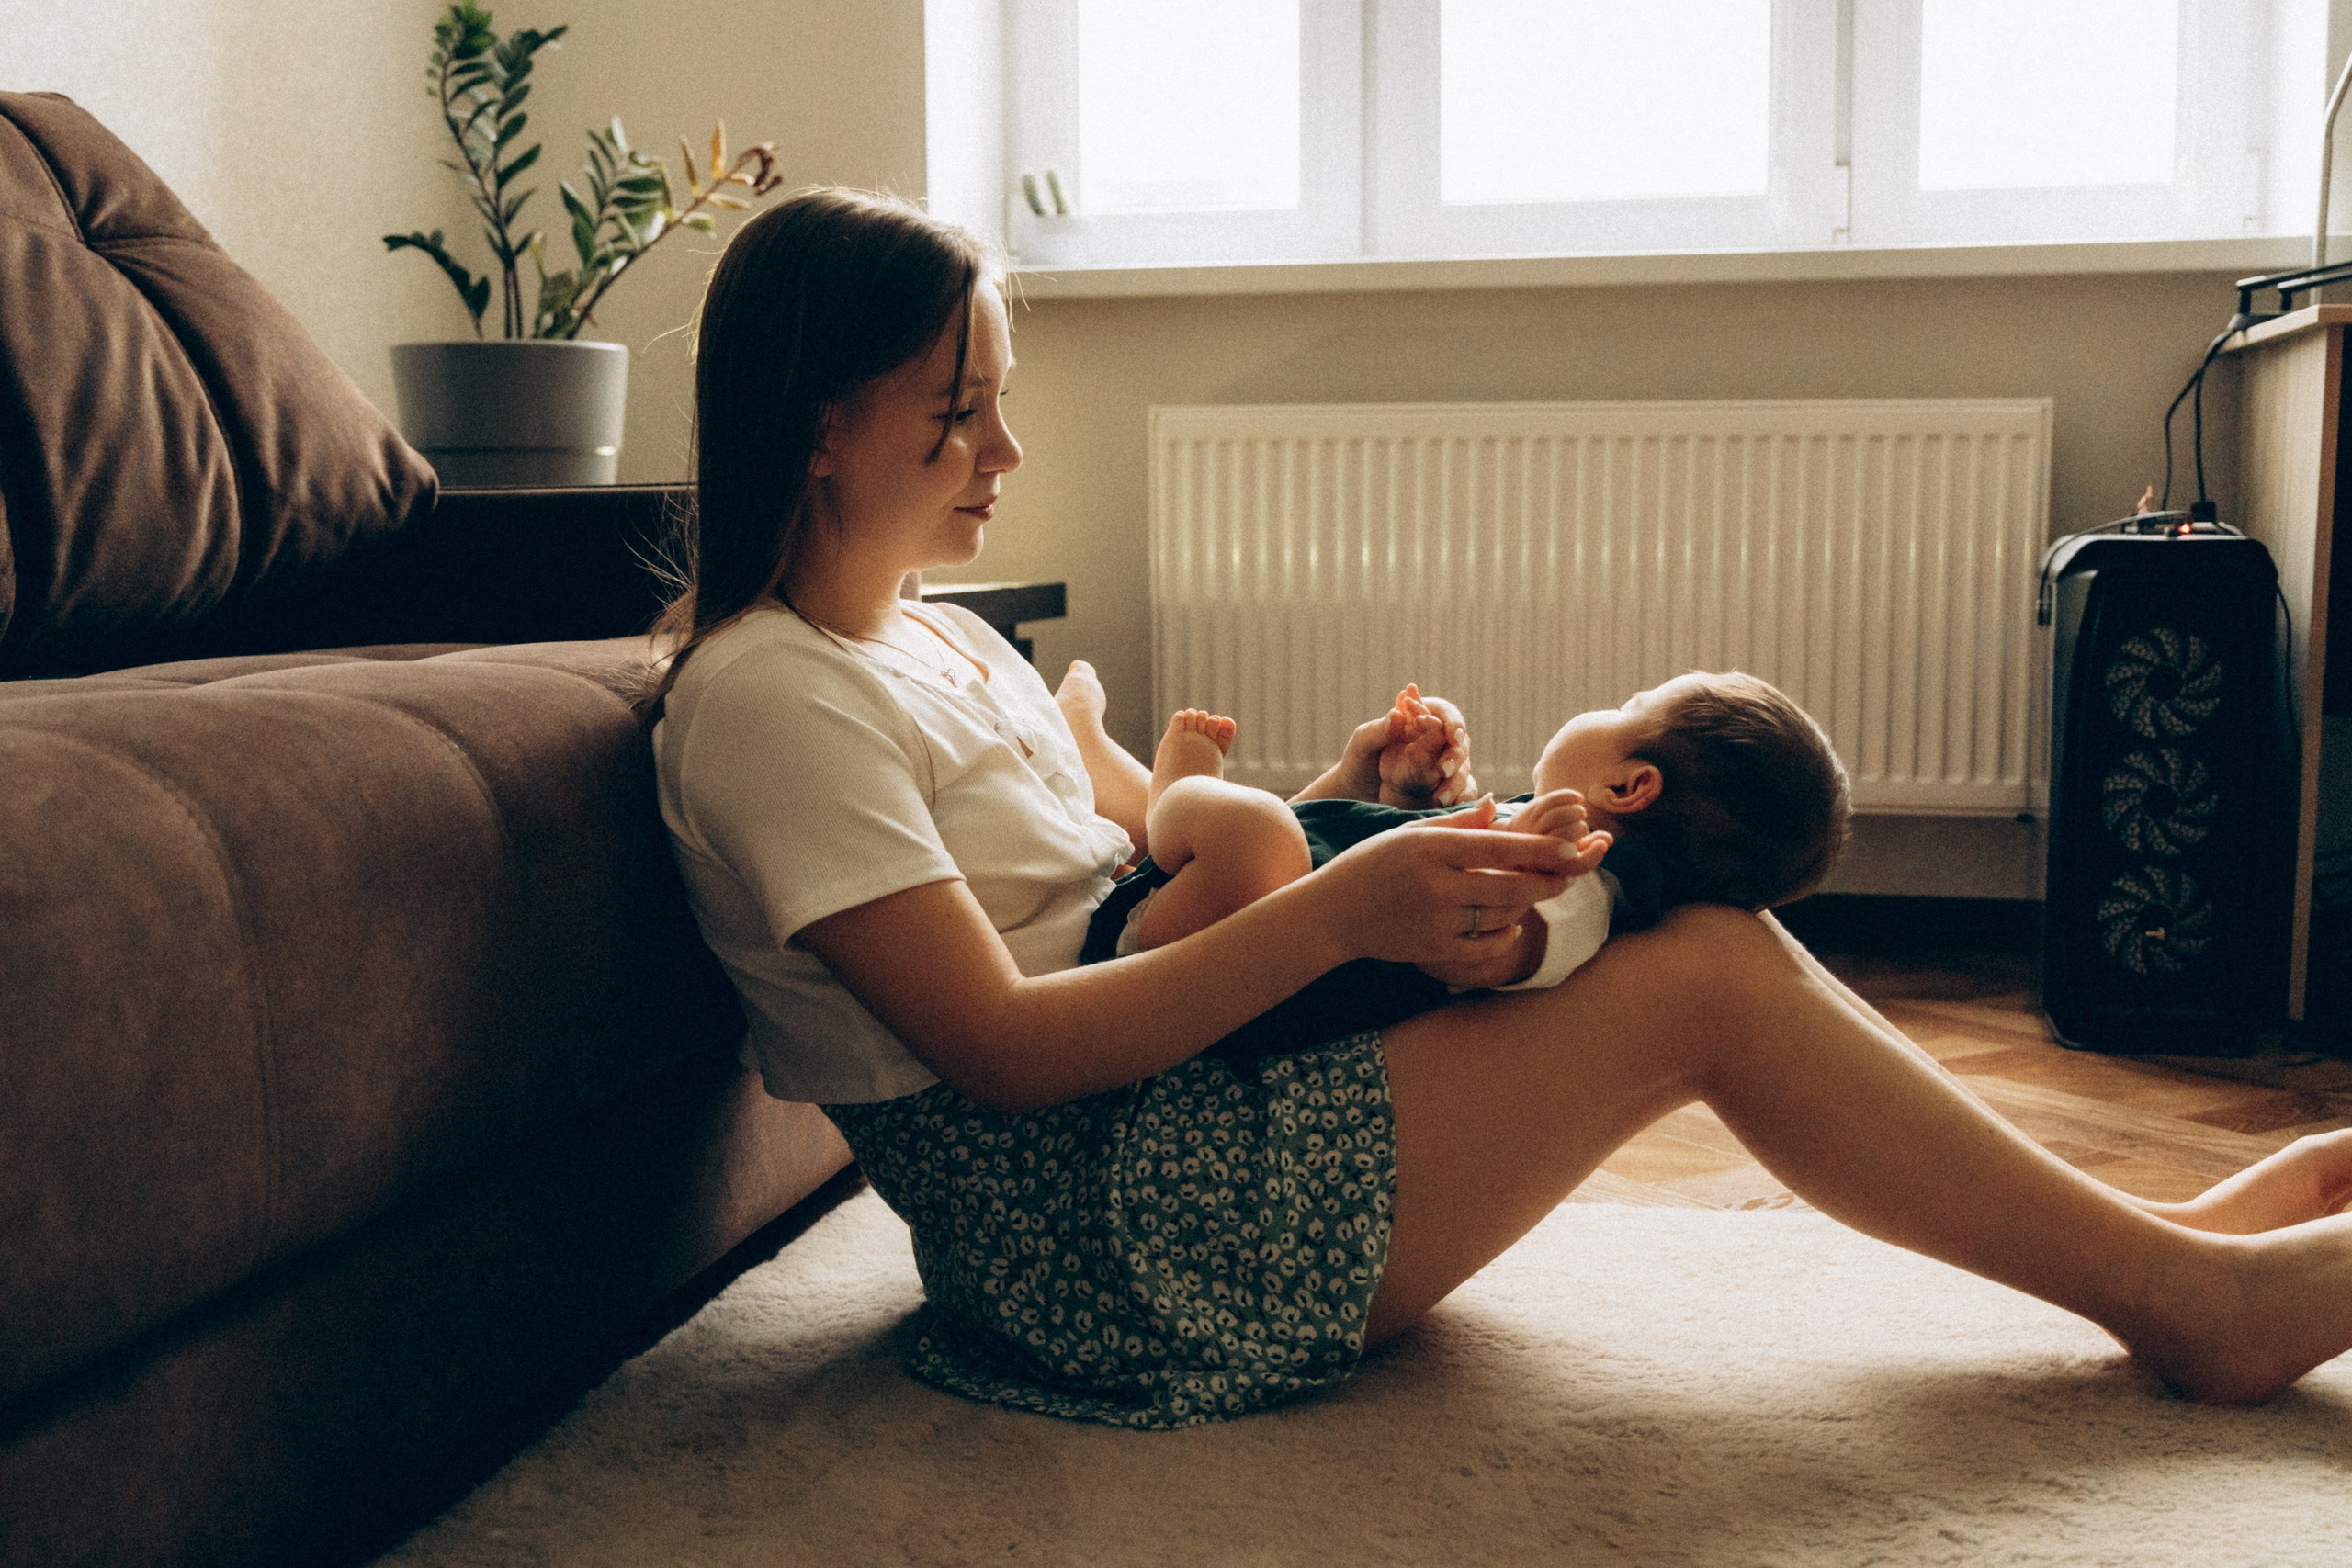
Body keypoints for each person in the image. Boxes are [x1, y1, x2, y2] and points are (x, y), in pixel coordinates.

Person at [649, 186, 2352, 1432]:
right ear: (819, 425)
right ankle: (2192, 1299)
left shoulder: (944, 640)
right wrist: (1342, 908)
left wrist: (1342, 810)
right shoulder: (767, 698)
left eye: (998, 402)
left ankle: (2134, 1250)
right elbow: (1007, 1044)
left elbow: (1118, 871)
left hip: (1178, 1105)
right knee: (1702, 973)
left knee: (1685, 917)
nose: (1005, 452)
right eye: (961, 412)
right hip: (1106, 1225)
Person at [1077, 671, 1849, 1062]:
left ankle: (1168, 794)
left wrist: (1512, 914)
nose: (1605, 706)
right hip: (1236, 944)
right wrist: (1387, 792)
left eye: (1628, 705)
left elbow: (1514, 950)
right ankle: (1104, 766)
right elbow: (1327, 875)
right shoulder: (1544, 844)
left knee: (1255, 831)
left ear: (1628, 786)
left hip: (1186, 977)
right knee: (1271, 839)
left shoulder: (1582, 886)